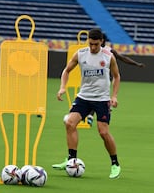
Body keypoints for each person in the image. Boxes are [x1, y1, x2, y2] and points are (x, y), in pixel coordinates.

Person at [52, 28, 121, 179]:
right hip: (84, 97)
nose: (93, 47)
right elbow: (66, 71)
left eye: (96, 44)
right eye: (90, 44)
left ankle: (115, 163)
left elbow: (116, 76)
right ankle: (71, 160)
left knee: (103, 132)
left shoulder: (109, 57)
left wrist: (114, 96)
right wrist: (63, 87)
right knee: (70, 123)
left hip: (102, 99)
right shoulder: (81, 54)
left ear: (101, 42)